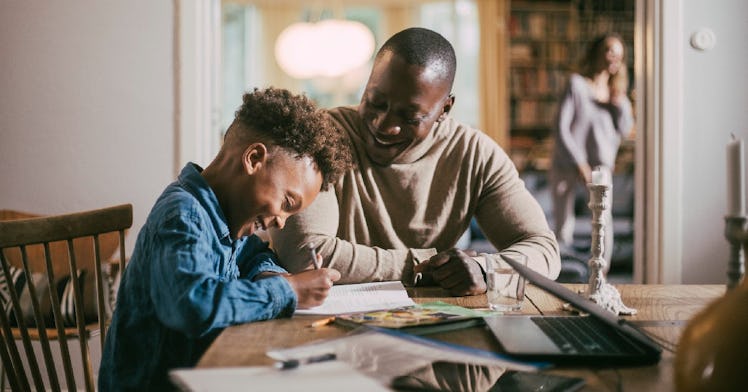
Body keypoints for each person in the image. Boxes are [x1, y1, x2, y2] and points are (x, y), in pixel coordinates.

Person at [270, 27, 560, 296]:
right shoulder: (320, 137)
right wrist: (425, 266)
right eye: (376, 102)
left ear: (445, 108)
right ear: (367, 84)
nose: (385, 125)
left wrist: (486, 269)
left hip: (435, 321)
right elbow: (305, 255)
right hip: (328, 320)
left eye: (409, 116)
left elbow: (544, 250)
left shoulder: (475, 154)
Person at [99, 87, 352, 391]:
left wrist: (269, 272)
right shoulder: (183, 215)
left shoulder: (227, 218)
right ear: (254, 158)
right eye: (287, 203)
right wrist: (288, 289)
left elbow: (255, 253)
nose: (282, 223)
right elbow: (193, 305)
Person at [549, 33, 634, 268]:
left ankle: (601, 275)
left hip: (600, 168)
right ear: (597, 52)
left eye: (618, 53)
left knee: (603, 221)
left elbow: (626, 131)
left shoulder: (617, 95)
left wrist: (619, 107)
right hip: (567, 164)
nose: (613, 57)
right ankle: (560, 272)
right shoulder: (576, 84)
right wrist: (580, 163)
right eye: (609, 50)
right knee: (563, 225)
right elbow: (561, 127)